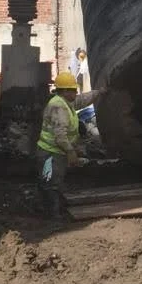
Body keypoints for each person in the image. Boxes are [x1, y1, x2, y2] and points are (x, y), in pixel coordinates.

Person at [36, 70, 102, 218]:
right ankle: (52, 216)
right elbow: (60, 136)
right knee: (50, 183)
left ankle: (51, 210)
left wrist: (99, 92)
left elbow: (81, 100)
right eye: (73, 90)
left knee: (53, 181)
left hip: (55, 152)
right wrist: (71, 152)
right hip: (50, 153)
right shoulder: (59, 107)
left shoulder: (65, 102)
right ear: (65, 91)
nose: (76, 93)